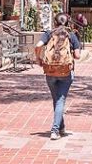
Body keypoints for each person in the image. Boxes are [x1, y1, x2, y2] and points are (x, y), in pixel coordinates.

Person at [34, 13, 83, 141]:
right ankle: (55, 130)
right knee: (60, 100)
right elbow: (77, 56)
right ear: (68, 23)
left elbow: (38, 45)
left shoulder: (49, 34)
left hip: (50, 71)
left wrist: (38, 59)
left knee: (56, 100)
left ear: (55, 22)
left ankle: (61, 127)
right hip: (66, 72)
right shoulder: (71, 35)